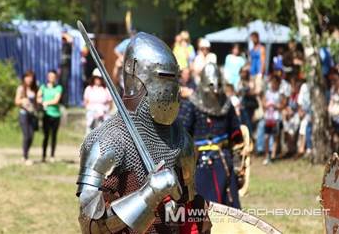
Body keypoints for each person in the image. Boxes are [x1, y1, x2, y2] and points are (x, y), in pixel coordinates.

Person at [76, 32, 210, 233]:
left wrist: (200, 220)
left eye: (175, 78)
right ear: (135, 74)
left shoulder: (181, 141)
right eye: (164, 77)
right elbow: (91, 225)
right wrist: (149, 194)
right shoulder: (106, 141)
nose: (171, 87)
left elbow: (188, 210)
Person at [178, 62, 243, 208]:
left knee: (231, 210)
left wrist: (238, 164)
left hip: (225, 161)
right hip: (200, 163)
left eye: (218, 85)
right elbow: (182, 137)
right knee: (203, 209)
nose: (215, 91)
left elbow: (237, 136)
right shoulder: (192, 105)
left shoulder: (226, 105)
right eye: (211, 86)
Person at [37, 70, 63, 163]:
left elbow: (56, 100)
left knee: (54, 136)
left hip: (56, 115)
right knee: (46, 136)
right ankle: (43, 156)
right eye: (50, 76)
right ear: (47, 77)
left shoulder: (58, 88)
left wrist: (46, 102)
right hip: (46, 115)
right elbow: (38, 97)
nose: (51, 78)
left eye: (53, 76)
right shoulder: (43, 87)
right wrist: (40, 100)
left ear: (55, 77)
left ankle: (52, 155)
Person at [15, 70, 39, 166]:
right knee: (27, 135)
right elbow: (16, 101)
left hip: (32, 115)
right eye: (27, 77)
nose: (29, 79)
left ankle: (25, 155)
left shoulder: (35, 89)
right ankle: (25, 157)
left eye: (31, 77)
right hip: (24, 114)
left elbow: (36, 103)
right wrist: (22, 101)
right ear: (24, 78)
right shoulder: (21, 88)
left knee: (31, 136)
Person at [262, 75, 285, 165]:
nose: (273, 84)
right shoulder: (267, 92)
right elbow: (263, 103)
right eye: (272, 82)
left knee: (275, 136)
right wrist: (267, 106)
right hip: (268, 117)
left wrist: (276, 106)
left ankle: (273, 156)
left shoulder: (280, 93)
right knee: (266, 137)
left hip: (276, 117)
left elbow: (283, 104)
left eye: (275, 83)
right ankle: (267, 155)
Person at [83, 68, 113, 134]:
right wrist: (92, 112)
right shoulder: (89, 89)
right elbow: (85, 103)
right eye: (96, 78)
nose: (98, 80)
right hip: (92, 116)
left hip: (103, 117)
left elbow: (110, 103)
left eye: (100, 78)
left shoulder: (106, 89)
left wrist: (105, 112)